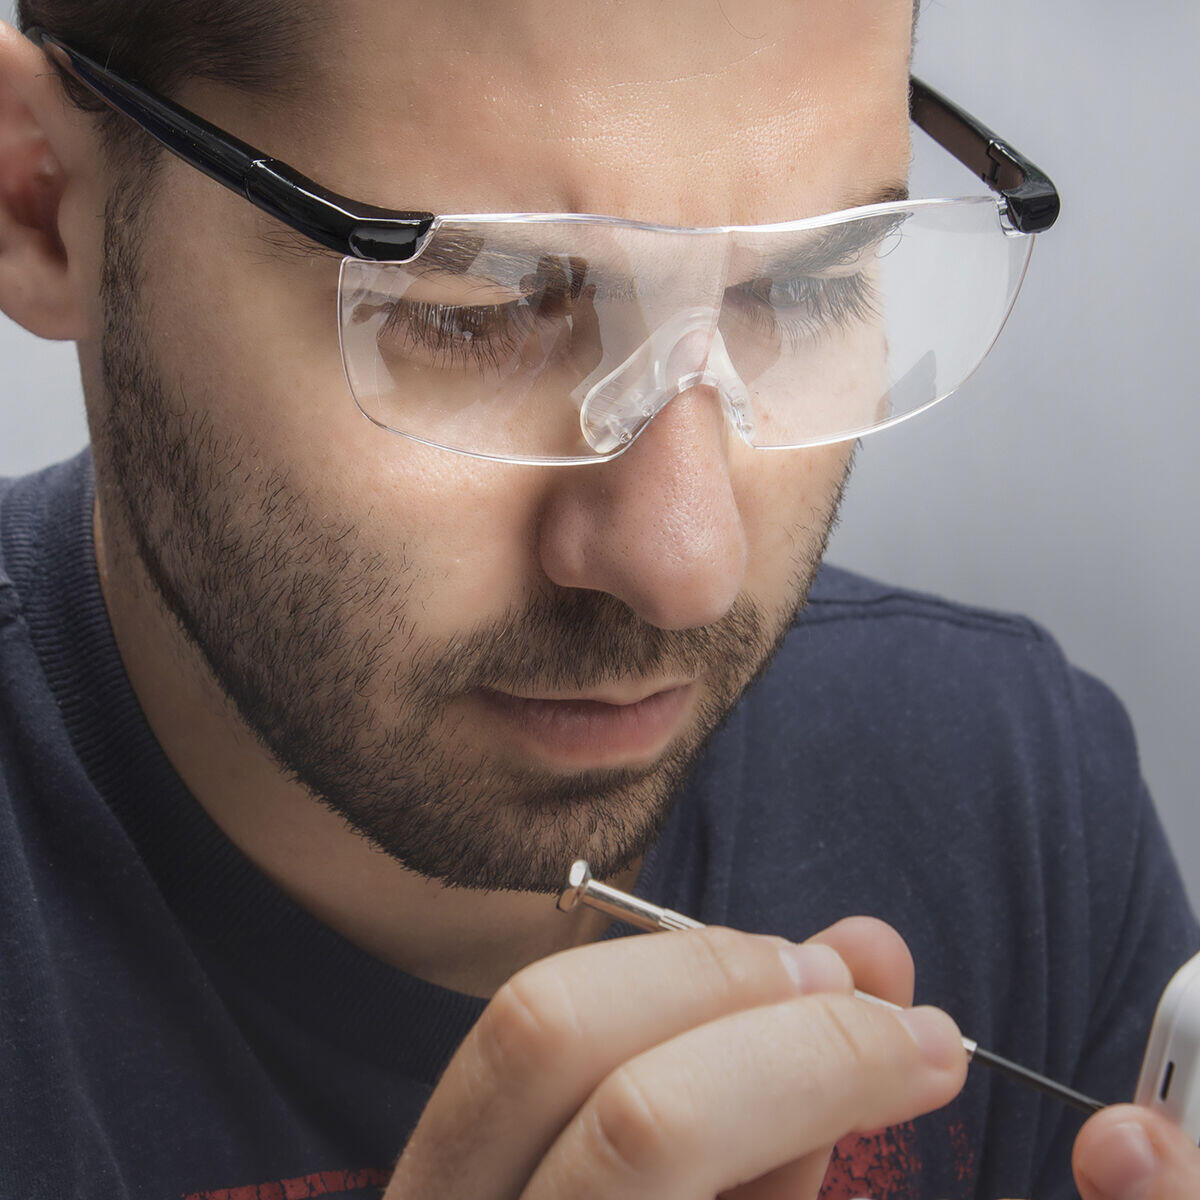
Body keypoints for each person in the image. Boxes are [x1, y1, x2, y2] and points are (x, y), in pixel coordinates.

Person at [0, 1, 1196, 1197]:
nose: (689, 568)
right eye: (474, 313)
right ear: (41, 196)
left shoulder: (1021, 807)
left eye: (804, 289)